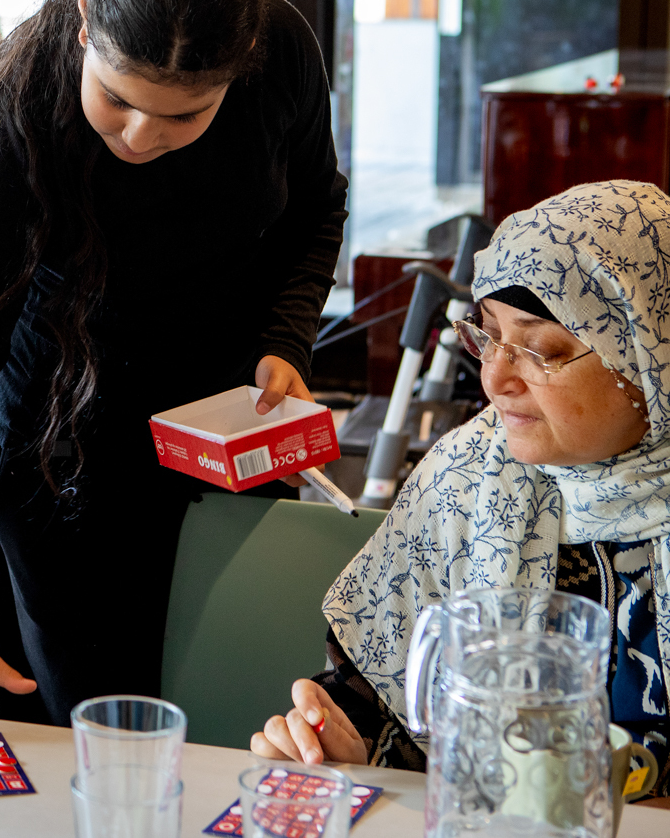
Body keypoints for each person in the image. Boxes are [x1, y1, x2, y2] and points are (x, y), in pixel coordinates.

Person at [0, 0, 349, 739]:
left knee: (235, 722)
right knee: (89, 739)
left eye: (185, 117)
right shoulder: (10, 134)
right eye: (118, 100)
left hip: (227, 440)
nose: (142, 136)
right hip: (68, 461)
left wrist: (285, 337)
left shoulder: (286, 55)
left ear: (242, 70)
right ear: (86, 23)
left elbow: (316, 207)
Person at [252, 179, 669, 805]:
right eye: (488, 334)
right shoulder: (467, 477)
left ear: (647, 358)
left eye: (541, 349)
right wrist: (345, 747)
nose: (495, 378)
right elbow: (379, 704)